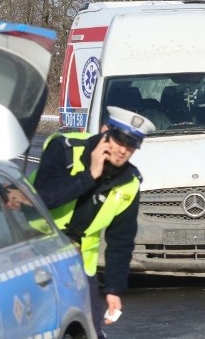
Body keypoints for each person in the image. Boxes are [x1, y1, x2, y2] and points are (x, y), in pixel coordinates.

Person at [32, 106, 155, 339]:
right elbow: (44, 197)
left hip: (80, 266)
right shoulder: (65, 149)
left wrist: (114, 289)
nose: (123, 150)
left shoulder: (129, 182)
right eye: (119, 140)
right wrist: (90, 176)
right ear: (105, 130)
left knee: (90, 331)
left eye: (131, 145)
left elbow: (121, 240)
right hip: (35, 255)